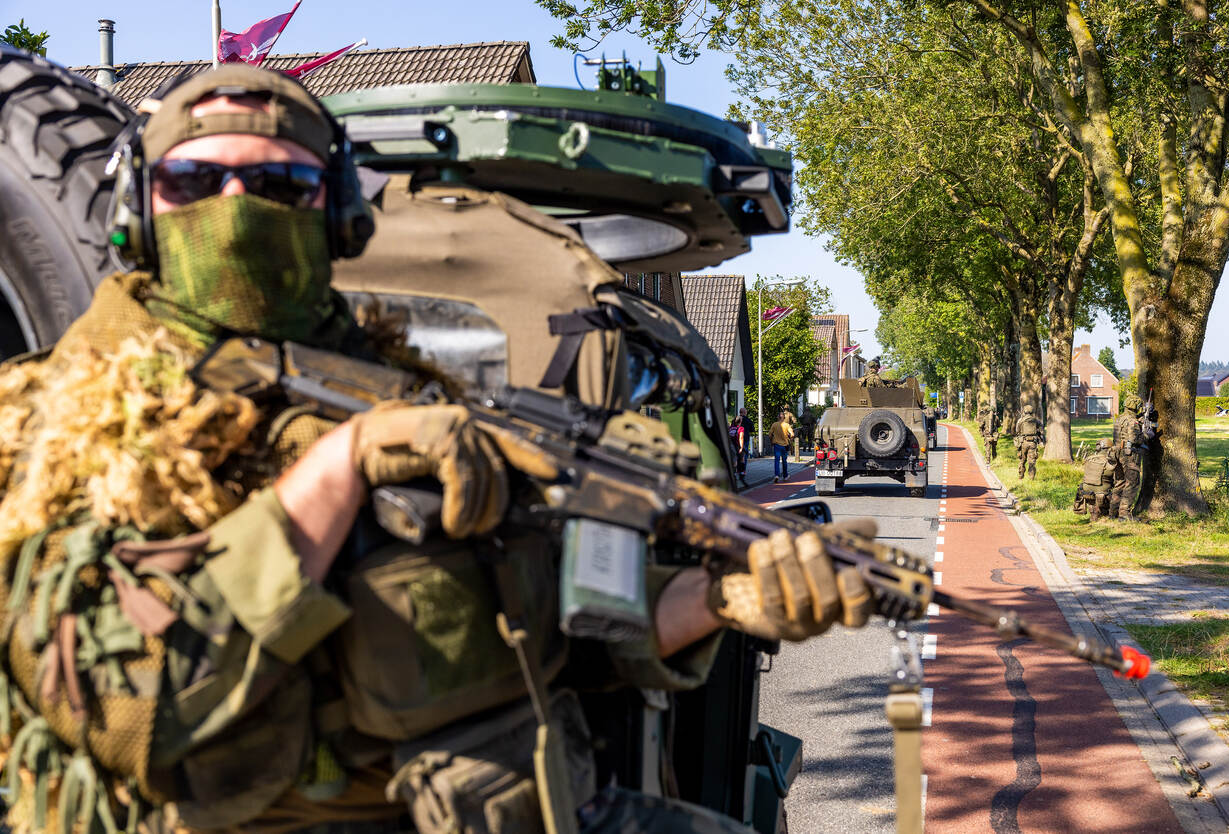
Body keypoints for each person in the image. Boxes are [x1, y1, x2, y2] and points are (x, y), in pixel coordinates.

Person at [0, 64, 878, 834]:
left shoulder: (403, 389)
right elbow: (121, 706)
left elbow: (551, 622)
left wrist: (718, 598)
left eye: (279, 183)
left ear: (339, 215)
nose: (237, 209)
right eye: (194, 181)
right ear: (137, 215)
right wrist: (339, 469)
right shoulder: (64, 419)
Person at [1112, 394, 1147, 520]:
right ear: (1136, 406)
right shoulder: (1132, 421)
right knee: (1132, 483)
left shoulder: (1119, 419)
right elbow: (1135, 439)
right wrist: (1147, 435)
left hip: (1116, 453)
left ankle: (1113, 512)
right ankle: (1124, 514)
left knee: (1120, 482)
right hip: (1129, 455)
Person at [1074, 439, 1120, 520]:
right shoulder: (1110, 462)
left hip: (1086, 493)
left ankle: (1094, 512)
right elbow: (1116, 479)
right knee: (1120, 489)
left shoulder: (1088, 459)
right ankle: (1112, 513)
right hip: (1103, 495)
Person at [1014, 403, 1043, 480]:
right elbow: (1041, 431)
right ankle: (1031, 478)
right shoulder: (1036, 420)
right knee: (1032, 461)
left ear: (1024, 411)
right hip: (1033, 443)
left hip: (1023, 443)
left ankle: (1021, 476)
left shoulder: (1021, 420)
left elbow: (1017, 431)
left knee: (1022, 460)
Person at [769, 412, 795, 482]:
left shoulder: (774, 424)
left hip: (776, 445)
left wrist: (771, 441)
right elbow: (792, 434)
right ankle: (785, 476)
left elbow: (770, 434)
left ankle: (776, 475)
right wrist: (790, 438)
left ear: (778, 417)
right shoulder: (787, 425)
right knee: (784, 461)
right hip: (784, 445)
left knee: (777, 460)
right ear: (784, 418)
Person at [729, 415, 748, 484]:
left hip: (730, 446)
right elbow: (741, 438)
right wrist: (741, 447)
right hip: (737, 445)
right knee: (741, 459)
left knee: (734, 459)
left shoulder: (730, 428)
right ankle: (741, 474)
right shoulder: (741, 428)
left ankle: (734, 474)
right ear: (740, 421)